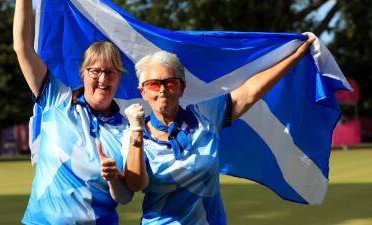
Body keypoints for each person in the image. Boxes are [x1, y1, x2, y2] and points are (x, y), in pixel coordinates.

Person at [117, 37, 315, 224]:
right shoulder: (133, 134)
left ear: (181, 88)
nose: (162, 90)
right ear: (142, 91)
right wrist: (136, 130)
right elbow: (135, 184)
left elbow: (250, 92)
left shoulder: (205, 116)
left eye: (170, 82)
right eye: (153, 84)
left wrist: (294, 55)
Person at [13, 0, 132, 224]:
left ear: (119, 77)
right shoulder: (57, 99)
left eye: (110, 72)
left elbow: (126, 197)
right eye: (95, 71)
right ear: (83, 74)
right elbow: (22, 48)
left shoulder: (128, 129)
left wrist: (114, 178)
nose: (103, 79)